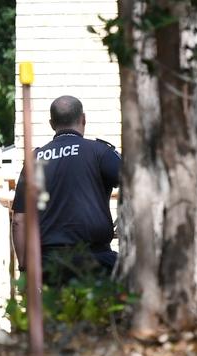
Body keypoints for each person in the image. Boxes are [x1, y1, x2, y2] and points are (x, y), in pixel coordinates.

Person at [11, 95, 121, 285]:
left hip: (49, 267)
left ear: (52, 123)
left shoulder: (34, 160)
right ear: (83, 119)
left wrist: (24, 268)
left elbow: (19, 221)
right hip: (96, 262)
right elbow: (137, 183)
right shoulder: (99, 151)